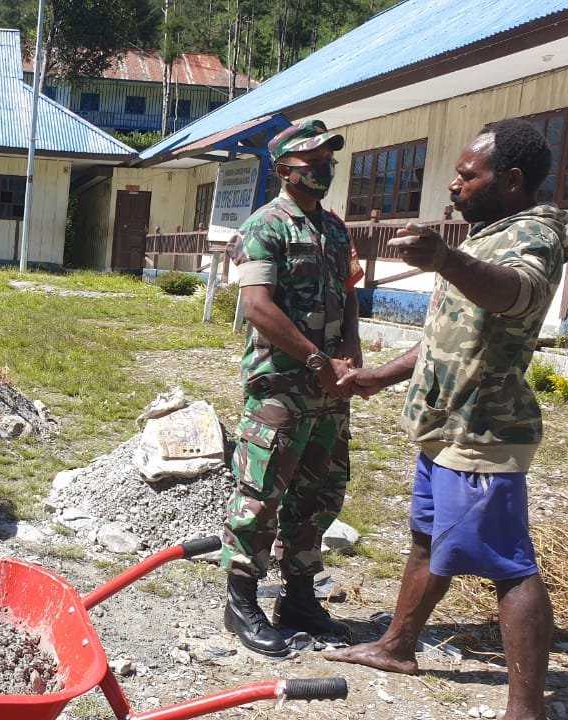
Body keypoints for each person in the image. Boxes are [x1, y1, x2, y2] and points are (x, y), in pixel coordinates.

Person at [324, 119, 568, 720]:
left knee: (509, 566)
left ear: (511, 181)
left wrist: (446, 259)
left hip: (484, 431)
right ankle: (397, 646)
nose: (455, 186)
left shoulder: (534, 236)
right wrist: (379, 376)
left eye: (467, 175)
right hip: (445, 426)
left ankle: (525, 710)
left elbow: (517, 293)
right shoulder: (489, 234)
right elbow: (447, 335)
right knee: (426, 540)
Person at [222, 119, 363, 657]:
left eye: (329, 160)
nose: (325, 169)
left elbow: (349, 293)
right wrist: (316, 359)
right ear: (284, 170)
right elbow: (259, 307)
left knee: (318, 495)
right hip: (281, 387)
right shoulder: (265, 227)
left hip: (329, 391)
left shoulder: (335, 229)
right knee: (261, 496)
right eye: (314, 162)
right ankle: (241, 603)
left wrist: (350, 351)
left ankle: (300, 598)